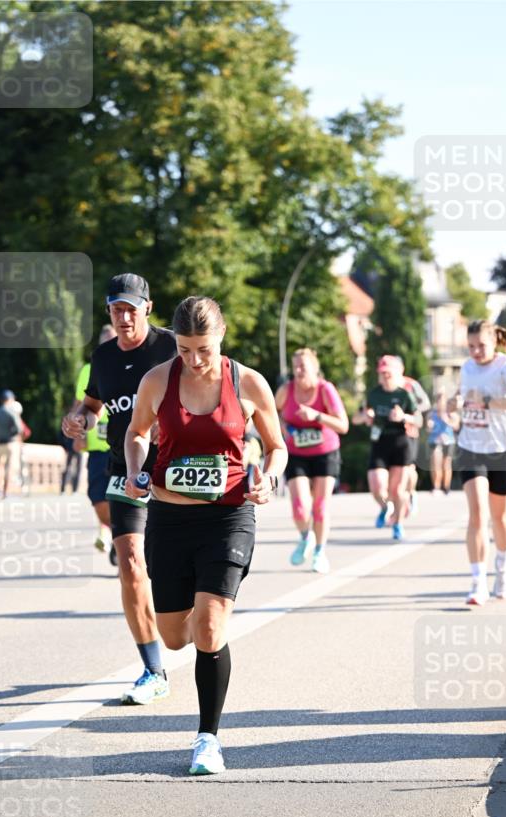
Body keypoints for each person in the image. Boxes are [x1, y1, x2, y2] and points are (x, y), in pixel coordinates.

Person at [124, 295, 287, 775]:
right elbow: (137, 433)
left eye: (204, 350)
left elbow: (276, 447)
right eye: (184, 349)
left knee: (211, 629)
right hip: (170, 520)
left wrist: (269, 478)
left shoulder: (249, 383)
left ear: (222, 337)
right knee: (176, 638)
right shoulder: (157, 380)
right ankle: (198, 616)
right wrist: (136, 467)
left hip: (228, 517)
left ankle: (207, 740)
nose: (194, 361)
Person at [61, 273, 176, 705]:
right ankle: (153, 669)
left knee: (169, 565)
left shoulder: (171, 347)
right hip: (122, 468)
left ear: (147, 307)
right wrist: (79, 420)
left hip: (173, 467)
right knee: (129, 562)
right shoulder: (104, 357)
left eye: (130, 308)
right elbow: (92, 405)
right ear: (108, 311)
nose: (123, 316)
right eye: (115, 309)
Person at [451, 320, 506, 605]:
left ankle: (503, 568)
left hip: (502, 449)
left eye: (481, 346)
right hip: (471, 447)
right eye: (470, 346)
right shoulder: (467, 367)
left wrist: (487, 402)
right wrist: (451, 403)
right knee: (477, 515)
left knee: (500, 517)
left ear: (494, 341)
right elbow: (461, 396)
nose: (475, 352)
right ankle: (477, 583)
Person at [274, 348, 349, 573]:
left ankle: (319, 551)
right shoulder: (286, 390)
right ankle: (306, 537)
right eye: (295, 366)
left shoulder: (325, 390)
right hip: (296, 453)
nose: (298, 371)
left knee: (320, 506)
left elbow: (343, 425)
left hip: (325, 452)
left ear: (315, 369)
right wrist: (283, 427)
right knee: (299, 508)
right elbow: (272, 412)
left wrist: (317, 416)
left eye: (303, 367)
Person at [352, 355, 421, 541]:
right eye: (382, 373)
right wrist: (366, 416)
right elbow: (355, 418)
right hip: (380, 441)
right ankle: (385, 507)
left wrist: (403, 417)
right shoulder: (373, 394)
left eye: (388, 373)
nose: (385, 377)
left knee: (397, 490)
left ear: (397, 373)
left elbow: (419, 419)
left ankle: (397, 523)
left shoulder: (404, 394)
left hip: (400, 442)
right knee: (376, 485)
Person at [72, 324, 117, 556]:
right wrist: (78, 434)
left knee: (125, 498)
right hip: (98, 447)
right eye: (105, 341)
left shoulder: (131, 364)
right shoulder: (90, 369)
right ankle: (110, 528)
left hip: (124, 446)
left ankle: (121, 537)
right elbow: (80, 404)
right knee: (98, 498)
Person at [401, 371, 431, 516]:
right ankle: (397, 499)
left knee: (408, 468)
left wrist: (411, 409)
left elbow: (426, 403)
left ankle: (411, 493)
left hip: (409, 430)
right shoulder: (383, 384)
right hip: (387, 433)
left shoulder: (411, 384)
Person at [427, 390, 458, 494]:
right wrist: (429, 426)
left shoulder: (450, 412)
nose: (440, 402)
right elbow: (427, 427)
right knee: (435, 463)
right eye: (438, 399)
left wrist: (447, 421)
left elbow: (456, 426)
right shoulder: (432, 413)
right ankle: (436, 486)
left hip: (448, 440)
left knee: (446, 464)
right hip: (435, 440)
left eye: (442, 399)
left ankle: (446, 486)